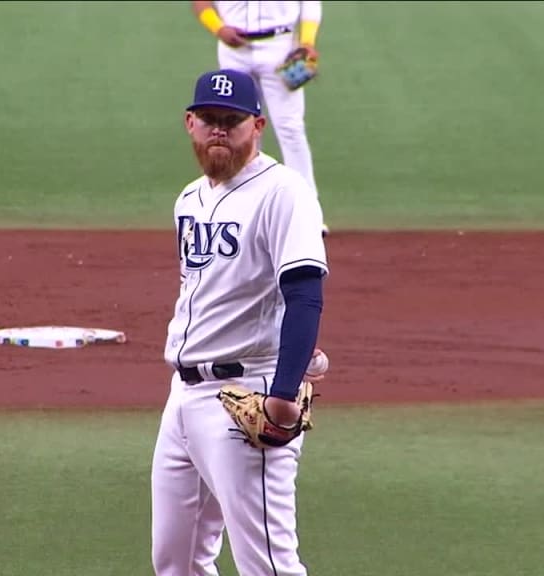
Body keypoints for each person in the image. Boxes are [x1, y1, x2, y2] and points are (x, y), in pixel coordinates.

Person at [150, 68, 329, 576]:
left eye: (232, 121)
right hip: (182, 398)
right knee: (176, 562)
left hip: (248, 395)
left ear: (258, 125)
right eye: (210, 119)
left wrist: (284, 388)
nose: (219, 130)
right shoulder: (189, 198)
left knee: (267, 566)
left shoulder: (284, 193)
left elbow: (304, 295)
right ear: (190, 123)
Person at [192, 0, 330, 236]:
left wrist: (307, 41)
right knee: (235, 129)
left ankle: (308, 214)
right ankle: (237, 212)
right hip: (233, 51)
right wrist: (217, 28)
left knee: (291, 129)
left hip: (282, 47)